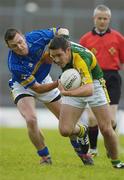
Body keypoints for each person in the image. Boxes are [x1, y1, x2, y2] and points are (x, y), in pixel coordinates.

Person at [4, 28, 93, 166]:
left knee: (67, 124)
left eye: (20, 42)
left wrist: (64, 38)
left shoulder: (36, 37)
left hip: (44, 79)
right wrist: (59, 82)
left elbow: (60, 30)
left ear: (23, 37)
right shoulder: (14, 64)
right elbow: (37, 89)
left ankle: (81, 151)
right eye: (14, 46)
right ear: (8, 47)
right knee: (31, 119)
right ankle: (45, 156)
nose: (19, 47)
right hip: (23, 86)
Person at [49, 35, 124, 169]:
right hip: (74, 84)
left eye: (59, 55)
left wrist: (67, 93)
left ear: (68, 50)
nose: (56, 59)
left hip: (94, 85)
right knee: (65, 130)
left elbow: (89, 90)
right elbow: (61, 33)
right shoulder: (59, 45)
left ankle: (116, 162)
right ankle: (82, 131)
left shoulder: (82, 58)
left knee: (106, 128)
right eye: (53, 56)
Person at [79, 4, 124, 156]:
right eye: (100, 18)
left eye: (105, 18)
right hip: (93, 79)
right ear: (94, 19)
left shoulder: (118, 38)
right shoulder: (85, 39)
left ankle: (111, 148)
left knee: (110, 121)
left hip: (112, 79)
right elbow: (80, 62)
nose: (102, 21)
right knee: (92, 118)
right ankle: (93, 149)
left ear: (109, 19)